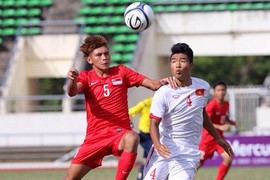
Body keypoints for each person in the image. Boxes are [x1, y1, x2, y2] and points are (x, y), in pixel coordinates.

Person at [64, 34, 177, 180]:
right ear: (89, 59)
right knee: (70, 178)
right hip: (95, 137)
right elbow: (72, 92)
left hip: (119, 133)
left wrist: (165, 81)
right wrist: (72, 80)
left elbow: (153, 84)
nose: (104, 57)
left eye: (106, 53)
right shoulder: (86, 76)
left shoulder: (121, 72)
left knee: (132, 137)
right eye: (99, 55)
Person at [143, 43, 234, 180]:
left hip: (188, 152)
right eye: (174, 61)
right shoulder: (164, 92)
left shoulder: (203, 87)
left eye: (182, 61)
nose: (177, 65)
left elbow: (201, 114)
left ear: (191, 65)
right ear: (170, 65)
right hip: (163, 151)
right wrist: (158, 145)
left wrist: (218, 138)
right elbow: (153, 124)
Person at [198, 81, 237, 180]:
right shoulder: (211, 106)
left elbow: (222, 116)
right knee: (197, 164)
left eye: (223, 90)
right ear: (214, 92)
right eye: (218, 90)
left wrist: (230, 121)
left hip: (219, 139)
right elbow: (206, 122)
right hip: (207, 140)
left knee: (228, 157)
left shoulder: (226, 104)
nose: (221, 92)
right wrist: (220, 127)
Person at [129, 97, 153, 180]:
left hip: (154, 134)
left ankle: (141, 174)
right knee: (154, 154)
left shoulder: (165, 102)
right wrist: (131, 128)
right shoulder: (146, 103)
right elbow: (129, 112)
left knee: (147, 158)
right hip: (145, 135)